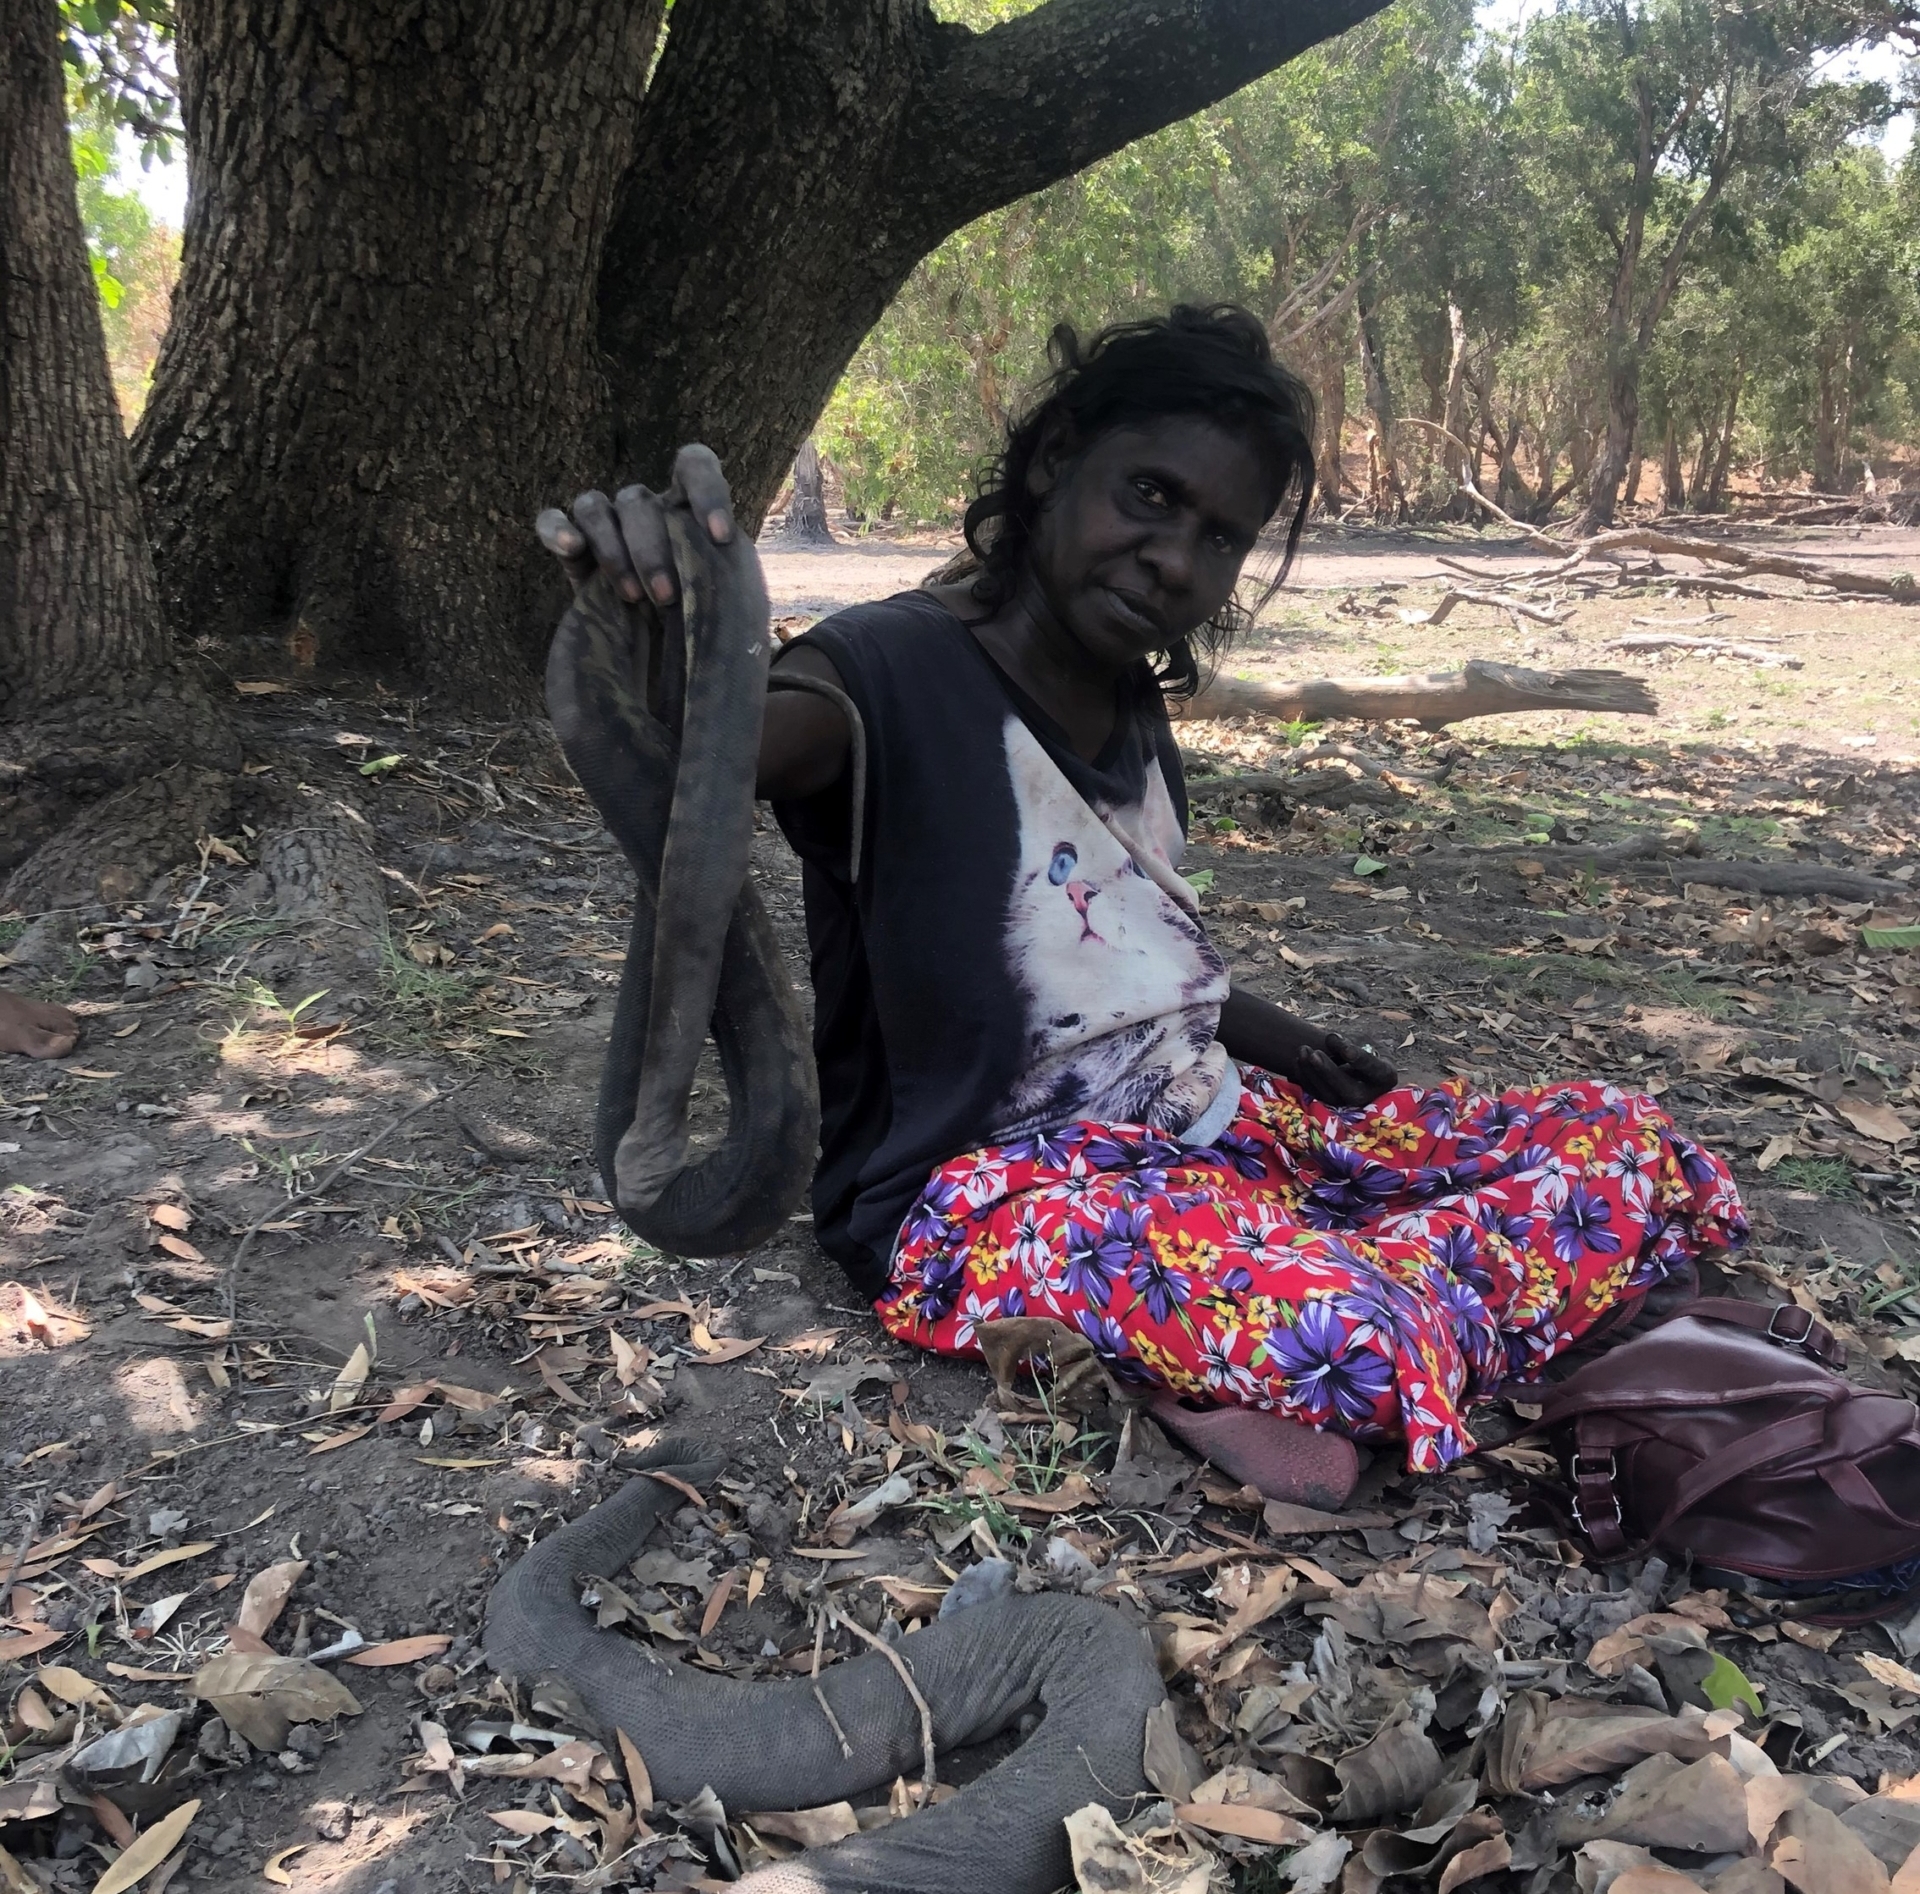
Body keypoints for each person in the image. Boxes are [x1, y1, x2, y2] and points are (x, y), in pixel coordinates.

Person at [540, 305, 1745, 1482]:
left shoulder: (1128, 693)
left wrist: (1276, 1036)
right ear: (1057, 462)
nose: (1177, 559)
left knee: (1636, 1142)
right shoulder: (876, 677)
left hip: (1208, 1134)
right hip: (993, 1198)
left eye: (1220, 536)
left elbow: (1108, 948)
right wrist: (649, 608)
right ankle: (1357, 1325)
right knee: (1360, 1336)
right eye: (1151, 497)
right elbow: (708, 759)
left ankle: (1296, 1328)